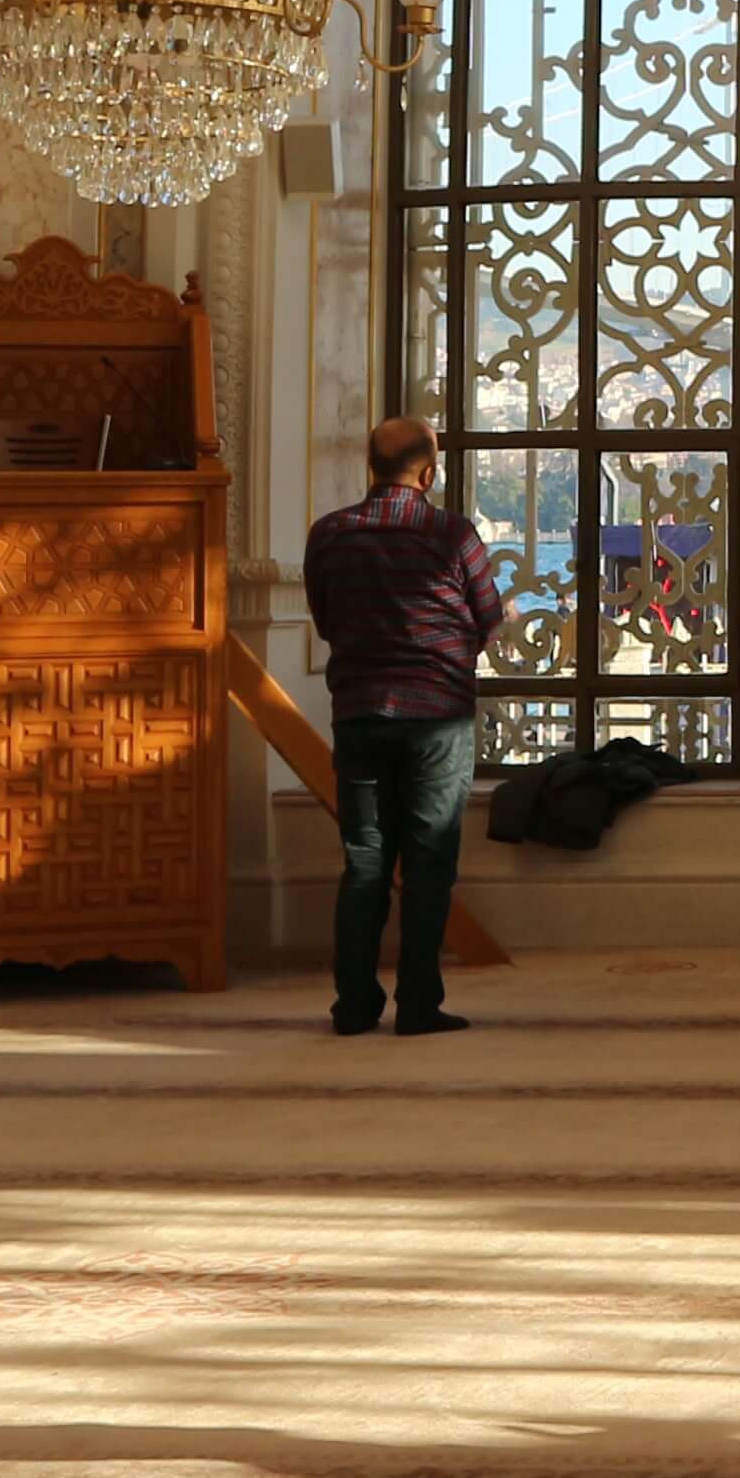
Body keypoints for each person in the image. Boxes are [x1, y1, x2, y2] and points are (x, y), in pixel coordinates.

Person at [299, 417, 508, 1038]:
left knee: (364, 860)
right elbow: (488, 617)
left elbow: (327, 619)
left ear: (371, 466)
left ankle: (354, 1007)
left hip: (360, 712)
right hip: (436, 717)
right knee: (428, 862)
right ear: (429, 471)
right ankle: (419, 1005)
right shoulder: (451, 533)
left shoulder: (330, 534)